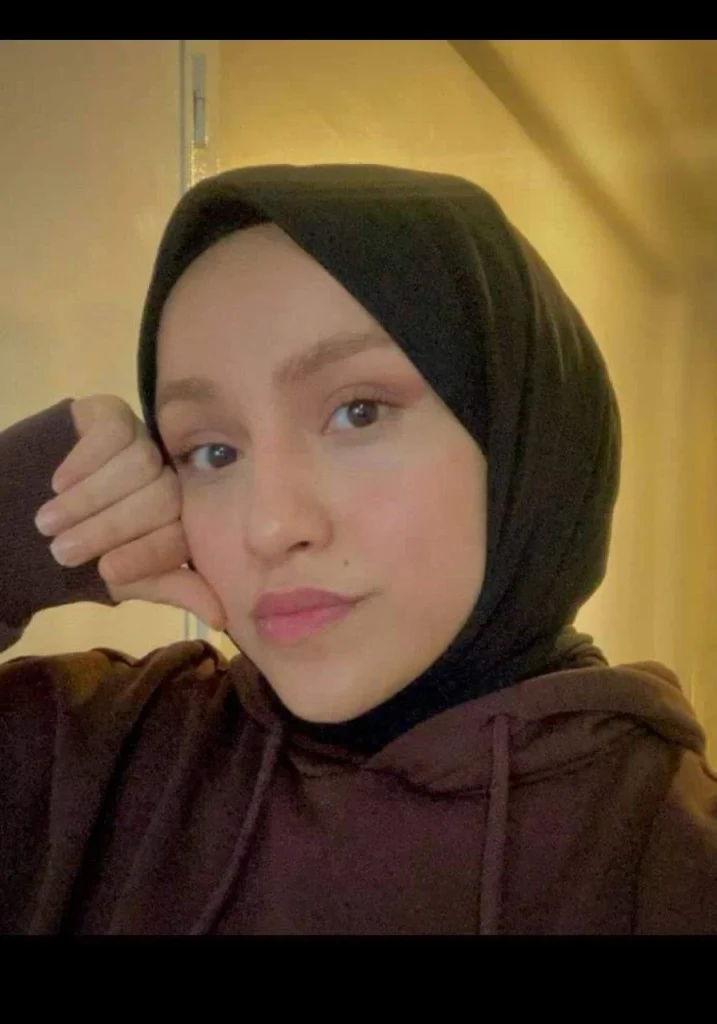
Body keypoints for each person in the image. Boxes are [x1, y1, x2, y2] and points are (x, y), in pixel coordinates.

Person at [1, 163, 715, 935]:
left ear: (526, 441)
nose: (270, 526)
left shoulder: (674, 865)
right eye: (211, 453)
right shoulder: (92, 759)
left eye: (358, 412)